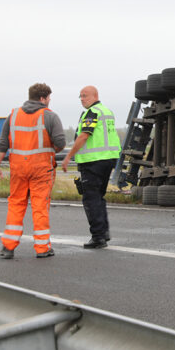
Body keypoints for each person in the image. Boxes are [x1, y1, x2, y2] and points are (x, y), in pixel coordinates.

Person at [0, 83, 66, 259]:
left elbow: (3, 143)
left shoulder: (14, 115)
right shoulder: (50, 116)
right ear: (42, 98)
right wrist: (50, 151)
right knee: (40, 206)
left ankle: (8, 247)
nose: (49, 101)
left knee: (16, 204)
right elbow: (61, 142)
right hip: (41, 169)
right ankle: (42, 248)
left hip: (18, 168)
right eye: (48, 98)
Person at [62, 86, 121, 249]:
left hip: (93, 162)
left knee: (91, 198)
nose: (82, 99)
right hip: (108, 160)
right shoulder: (106, 111)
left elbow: (84, 135)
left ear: (95, 96)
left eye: (85, 96)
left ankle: (98, 237)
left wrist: (68, 156)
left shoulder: (92, 112)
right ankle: (104, 232)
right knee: (99, 196)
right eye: (80, 96)